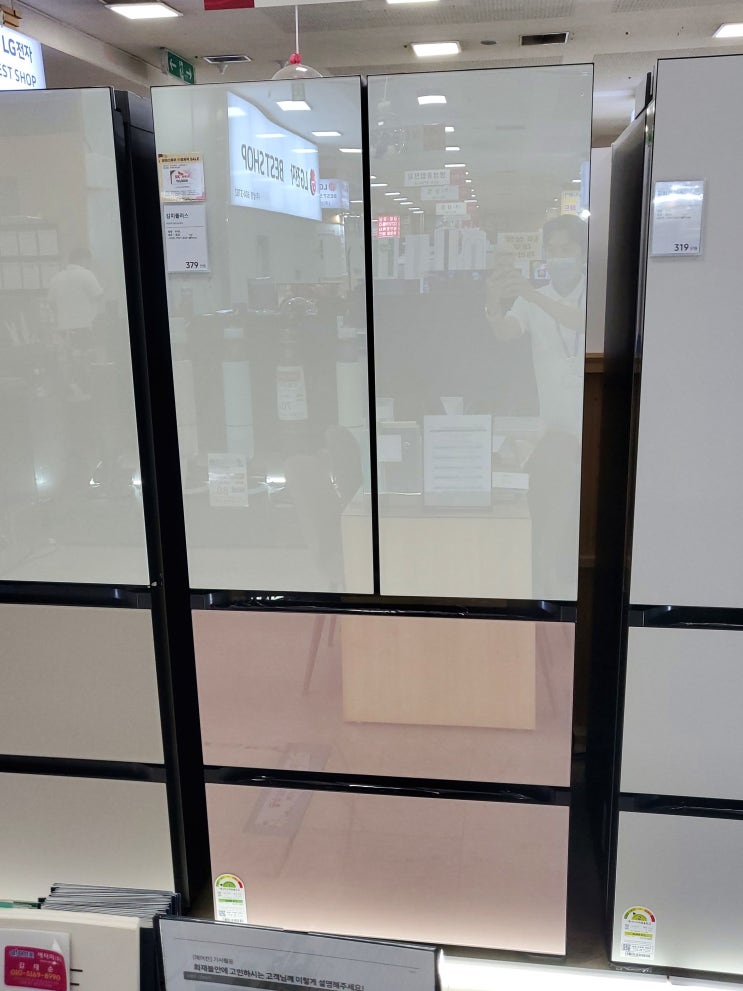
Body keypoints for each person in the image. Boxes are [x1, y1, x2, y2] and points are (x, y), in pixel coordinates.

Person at [485, 214, 588, 598]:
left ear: (583, 253)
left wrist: (530, 294)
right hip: (555, 430)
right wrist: (492, 302)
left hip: (592, 426)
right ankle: (545, 575)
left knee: (573, 504)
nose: (558, 257)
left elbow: (580, 322)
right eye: (552, 249)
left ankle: (555, 575)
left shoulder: (594, 293)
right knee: (550, 498)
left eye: (566, 249)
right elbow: (505, 333)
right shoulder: (533, 298)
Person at [48, 248, 104, 400]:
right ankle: (86, 395)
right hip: (83, 327)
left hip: (63, 329)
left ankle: (71, 395)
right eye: (89, 261)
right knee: (85, 361)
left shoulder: (56, 278)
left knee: (67, 363)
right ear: (83, 259)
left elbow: (51, 304)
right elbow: (99, 296)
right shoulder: (86, 274)